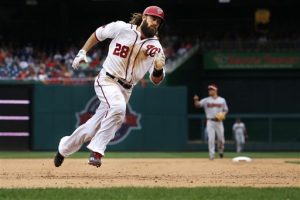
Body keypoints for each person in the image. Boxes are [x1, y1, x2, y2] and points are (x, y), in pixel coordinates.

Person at [54, 6, 166, 168]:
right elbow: (98, 34)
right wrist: (83, 51)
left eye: (158, 21)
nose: (155, 23)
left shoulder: (157, 48)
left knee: (90, 129)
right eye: (153, 18)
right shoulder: (122, 28)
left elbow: (156, 80)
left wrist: (158, 69)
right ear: (144, 17)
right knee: (119, 108)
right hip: (107, 79)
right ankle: (97, 152)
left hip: (126, 89)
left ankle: (63, 148)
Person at [194, 84, 229, 160]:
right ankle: (211, 155)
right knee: (211, 139)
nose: (209, 91)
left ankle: (221, 151)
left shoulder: (222, 100)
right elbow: (198, 105)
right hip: (210, 121)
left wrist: (223, 114)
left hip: (219, 122)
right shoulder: (206, 100)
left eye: (211, 89)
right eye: (209, 89)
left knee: (221, 139)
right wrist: (196, 100)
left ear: (215, 90)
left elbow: (226, 110)